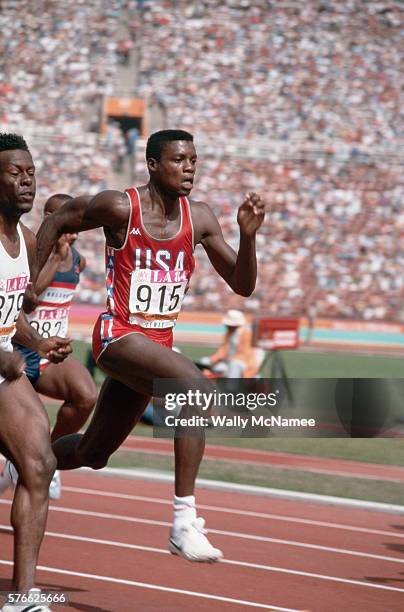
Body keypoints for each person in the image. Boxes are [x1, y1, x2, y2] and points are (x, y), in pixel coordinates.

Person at [35, 129, 266, 563]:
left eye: (194, 160)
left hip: (153, 346)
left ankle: (27, 461)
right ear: (154, 165)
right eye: (179, 160)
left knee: (93, 452)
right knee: (195, 386)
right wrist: (28, 284)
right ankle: (183, 521)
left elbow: (243, 285)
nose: (189, 168)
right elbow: (58, 218)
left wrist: (248, 236)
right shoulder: (120, 206)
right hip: (117, 335)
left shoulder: (199, 219)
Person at [0, 133, 71, 612]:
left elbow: (9, 310)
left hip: (4, 371)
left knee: (41, 465)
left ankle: (23, 598)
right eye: (14, 173)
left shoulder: (23, 239)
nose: (27, 182)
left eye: (31, 173)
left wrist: (35, 341)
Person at [8, 194, 97, 500]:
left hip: (50, 354)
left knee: (86, 395)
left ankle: (53, 459)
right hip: (20, 347)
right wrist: (56, 257)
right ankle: (20, 462)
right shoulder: (37, 251)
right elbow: (29, 301)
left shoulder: (80, 261)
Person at [200, 309, 262, 378]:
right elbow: (223, 350)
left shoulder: (246, 334)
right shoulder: (228, 334)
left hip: (244, 363)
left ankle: (232, 388)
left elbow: (246, 354)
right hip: (229, 362)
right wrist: (211, 359)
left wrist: (231, 359)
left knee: (234, 365)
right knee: (215, 367)